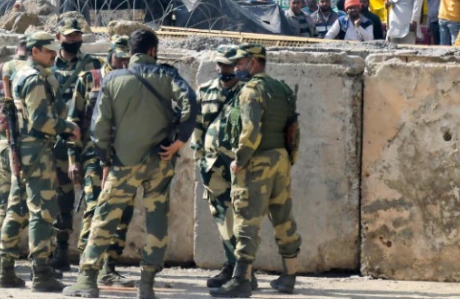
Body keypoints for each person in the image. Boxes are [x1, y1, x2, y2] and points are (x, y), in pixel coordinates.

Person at [64, 29, 197, 299]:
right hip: (159, 162)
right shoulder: (167, 75)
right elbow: (190, 102)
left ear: (132, 52)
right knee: (156, 220)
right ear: (152, 51)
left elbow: (99, 127)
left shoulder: (112, 80)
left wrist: (104, 159)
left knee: (104, 218)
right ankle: (146, 284)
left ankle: (87, 280)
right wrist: (180, 141)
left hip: (122, 163)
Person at [210, 44, 301, 298]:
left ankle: (241, 280)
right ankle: (289, 275)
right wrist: (289, 158)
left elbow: (250, 130)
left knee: (247, 218)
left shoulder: (251, 90)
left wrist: (240, 160)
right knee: (283, 216)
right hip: (281, 159)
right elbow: (293, 128)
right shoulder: (281, 88)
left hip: (257, 161)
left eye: (240, 63)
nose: (236, 67)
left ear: (253, 63)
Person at [0, 31, 81, 292]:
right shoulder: (34, 79)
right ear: (35, 51)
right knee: (42, 211)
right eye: (49, 51)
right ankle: (41, 273)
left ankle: (5, 269)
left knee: (16, 208)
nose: (54, 54)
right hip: (36, 151)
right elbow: (41, 121)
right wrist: (68, 127)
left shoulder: (23, 74)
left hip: (24, 150)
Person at [66, 35, 135, 288]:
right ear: (110, 55)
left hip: (124, 158)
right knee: (94, 209)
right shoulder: (90, 79)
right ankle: (87, 269)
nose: (123, 62)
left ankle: (109, 267)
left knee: (123, 212)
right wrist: (73, 159)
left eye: (128, 59)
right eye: (119, 57)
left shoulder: (133, 81)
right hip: (93, 156)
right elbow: (73, 122)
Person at [190, 47, 258, 290]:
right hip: (213, 166)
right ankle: (232, 266)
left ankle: (244, 272)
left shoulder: (248, 91)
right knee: (222, 218)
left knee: (242, 219)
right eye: (221, 65)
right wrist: (199, 158)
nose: (225, 70)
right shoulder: (205, 91)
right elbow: (197, 126)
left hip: (240, 165)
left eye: (230, 65)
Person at [50, 17, 102, 271]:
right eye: (68, 35)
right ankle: (60, 250)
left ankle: (89, 255)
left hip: (86, 140)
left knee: (93, 197)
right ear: (58, 37)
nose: (73, 40)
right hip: (57, 140)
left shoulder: (92, 65)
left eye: (77, 35)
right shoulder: (49, 65)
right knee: (62, 196)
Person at [0, 36, 30, 280]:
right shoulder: (33, 72)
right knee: (23, 206)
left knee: (3, 205)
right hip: (27, 149)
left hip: (2, 146)